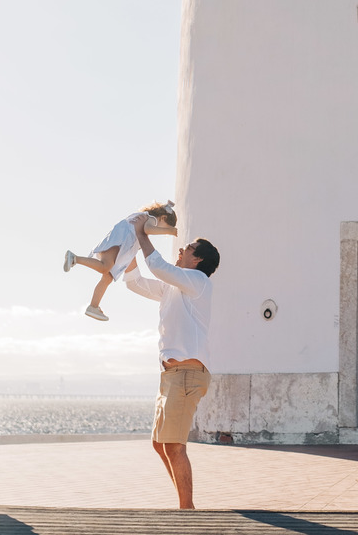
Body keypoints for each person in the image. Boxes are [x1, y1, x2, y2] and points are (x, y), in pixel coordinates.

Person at [121, 214, 219, 510]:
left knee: (174, 447)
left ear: (198, 260)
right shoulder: (173, 288)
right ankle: (185, 507)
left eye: (187, 248)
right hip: (172, 376)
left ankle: (187, 512)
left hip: (188, 373)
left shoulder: (198, 282)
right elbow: (135, 282)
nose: (181, 250)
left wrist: (141, 232)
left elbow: (158, 266)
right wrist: (128, 249)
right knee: (160, 445)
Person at [63, 201, 179, 321]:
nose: (159, 230)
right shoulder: (152, 219)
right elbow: (148, 229)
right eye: (163, 228)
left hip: (119, 242)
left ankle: (93, 306)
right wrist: (170, 231)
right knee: (105, 267)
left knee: (107, 277)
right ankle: (75, 259)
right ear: (163, 217)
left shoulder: (142, 216)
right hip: (119, 242)